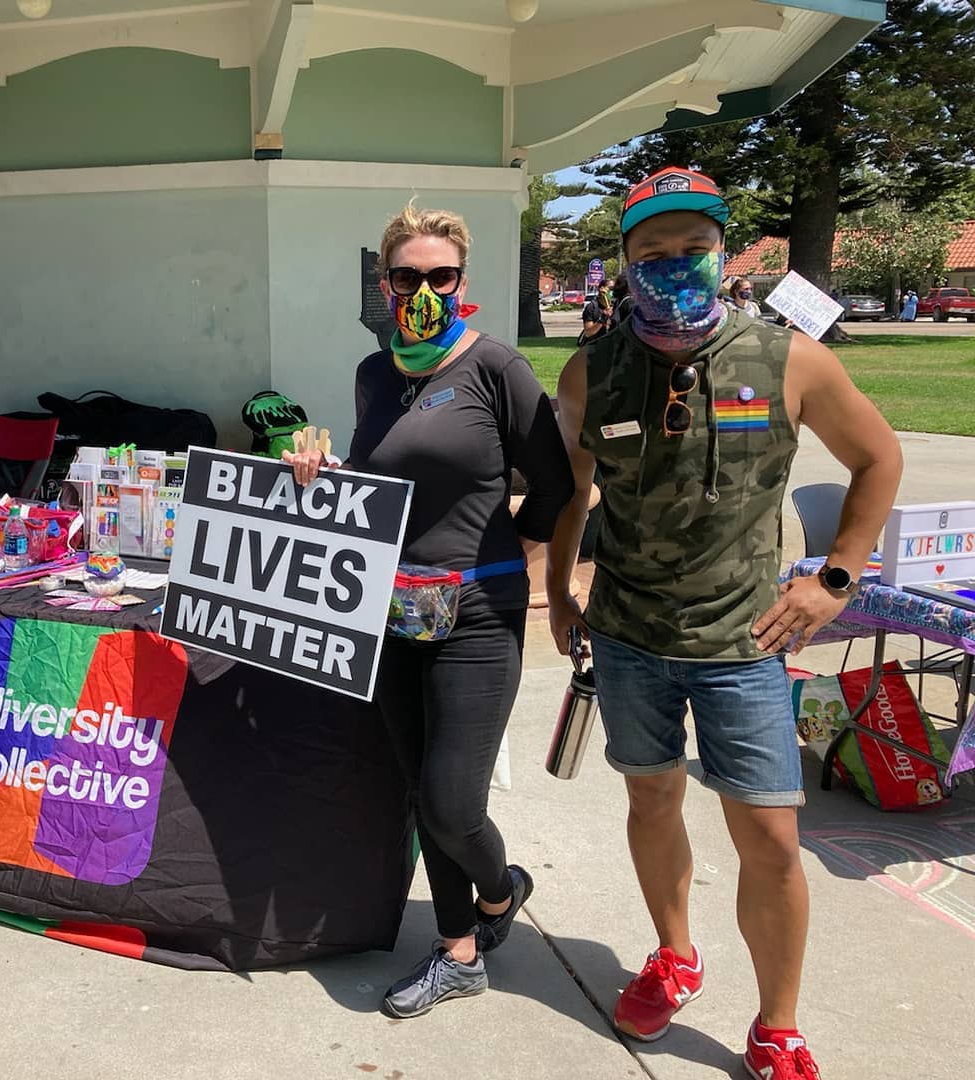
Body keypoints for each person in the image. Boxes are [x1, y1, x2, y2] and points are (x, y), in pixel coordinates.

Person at [545, 167, 902, 1080]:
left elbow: (879, 459)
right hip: (628, 637)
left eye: (693, 250)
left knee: (772, 838)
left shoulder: (790, 359)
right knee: (651, 799)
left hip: (748, 643)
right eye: (652, 254)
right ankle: (675, 955)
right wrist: (559, 579)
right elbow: (573, 488)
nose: (675, 268)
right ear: (623, 265)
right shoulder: (596, 367)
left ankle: (777, 1023)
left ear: (723, 251)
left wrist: (833, 579)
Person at [284, 204, 574, 1019]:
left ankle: (495, 895)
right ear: (385, 284)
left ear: (461, 283)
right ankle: (458, 954)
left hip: (477, 611)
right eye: (406, 276)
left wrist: (509, 557)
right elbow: (383, 481)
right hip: (391, 609)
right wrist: (318, 467)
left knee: (453, 801)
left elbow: (554, 485)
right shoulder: (375, 374)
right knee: (419, 790)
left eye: (438, 276)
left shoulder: (497, 368)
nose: (422, 289)